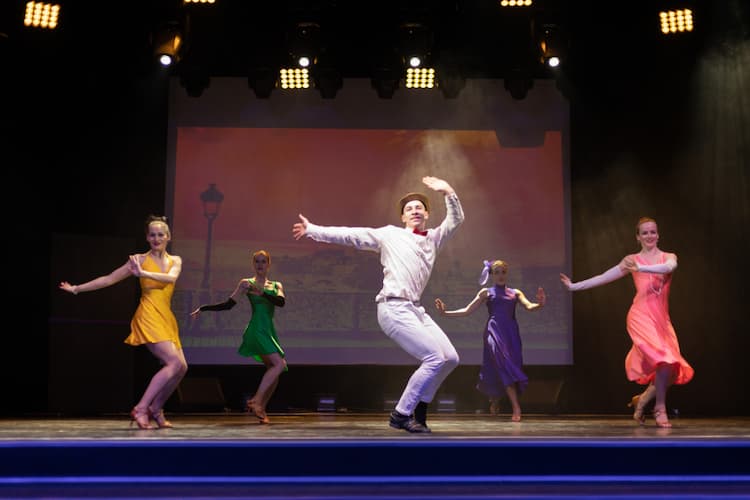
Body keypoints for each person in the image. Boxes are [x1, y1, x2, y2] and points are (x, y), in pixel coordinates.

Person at [292, 176, 464, 433]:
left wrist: (448, 191)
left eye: (419, 208)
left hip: (415, 309)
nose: (415, 211)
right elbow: (352, 236)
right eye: (409, 209)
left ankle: (420, 414)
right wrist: (314, 230)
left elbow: (456, 220)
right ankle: (401, 414)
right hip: (393, 308)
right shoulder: (390, 235)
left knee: (450, 358)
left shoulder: (433, 238)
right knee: (434, 357)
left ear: (427, 214)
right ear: (403, 218)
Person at [560, 216, 693, 428]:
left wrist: (641, 269)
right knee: (664, 358)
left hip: (661, 318)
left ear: (658, 235)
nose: (649, 236)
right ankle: (660, 408)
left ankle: (642, 400)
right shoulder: (631, 260)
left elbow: (669, 268)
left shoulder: (668, 257)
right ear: (638, 237)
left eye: (653, 232)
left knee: (669, 368)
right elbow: (604, 276)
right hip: (640, 316)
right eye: (645, 233)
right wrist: (575, 286)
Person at [59, 215, 187, 430]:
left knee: (182, 367)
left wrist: (142, 273)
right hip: (148, 314)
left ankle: (157, 409)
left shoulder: (176, 260)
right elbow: (108, 279)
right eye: (152, 235)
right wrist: (76, 288)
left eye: (160, 235)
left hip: (166, 316)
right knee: (173, 363)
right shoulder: (138, 259)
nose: (156, 238)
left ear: (168, 237)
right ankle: (141, 408)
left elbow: (171, 278)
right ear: (147, 237)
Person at [435, 260, 545, 422]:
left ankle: (495, 399)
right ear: (492, 275)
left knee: (502, 367)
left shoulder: (515, 293)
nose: (500, 275)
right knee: (504, 364)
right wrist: (445, 313)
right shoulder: (486, 292)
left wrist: (540, 304)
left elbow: (529, 307)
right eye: (497, 272)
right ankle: (516, 407)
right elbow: (467, 310)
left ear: (506, 274)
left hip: (511, 334)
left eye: (503, 272)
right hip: (493, 332)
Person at [190, 250, 286, 424]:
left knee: (275, 370)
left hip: (269, 330)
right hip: (256, 330)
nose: (260, 265)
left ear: (269, 264)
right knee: (280, 364)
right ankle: (256, 400)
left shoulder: (276, 285)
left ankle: (261, 409)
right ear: (253, 264)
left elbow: (281, 302)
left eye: (263, 261)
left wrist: (262, 293)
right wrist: (204, 308)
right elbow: (228, 305)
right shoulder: (246, 283)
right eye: (257, 261)